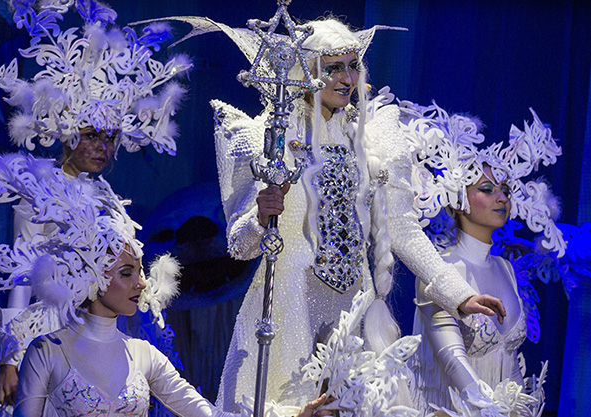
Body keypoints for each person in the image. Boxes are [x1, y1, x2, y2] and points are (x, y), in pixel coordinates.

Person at [199, 16, 506, 411]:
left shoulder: (371, 139)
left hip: (355, 312)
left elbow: (402, 230)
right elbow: (240, 247)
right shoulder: (269, 139)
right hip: (289, 309)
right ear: (306, 73)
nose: (347, 78)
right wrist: (260, 217)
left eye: (353, 65)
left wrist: (459, 295)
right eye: (333, 68)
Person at [0, 153, 330, 417]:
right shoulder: (47, 351)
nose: (142, 284)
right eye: (127, 273)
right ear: (92, 278)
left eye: (140, 271)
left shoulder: (144, 355)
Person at [0, 1, 191, 406]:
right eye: (93, 135)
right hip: (54, 330)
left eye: (110, 138)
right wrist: (11, 355)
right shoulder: (41, 190)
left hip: (104, 327)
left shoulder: (108, 197)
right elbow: (22, 272)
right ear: (69, 135)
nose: (102, 147)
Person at [404, 104, 563, 415]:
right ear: (458, 200)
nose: (502, 198)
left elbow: (509, 362)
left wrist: (517, 409)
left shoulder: (505, 268)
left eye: (505, 190)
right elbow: (452, 360)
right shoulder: (439, 270)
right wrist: (487, 407)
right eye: (487, 189)